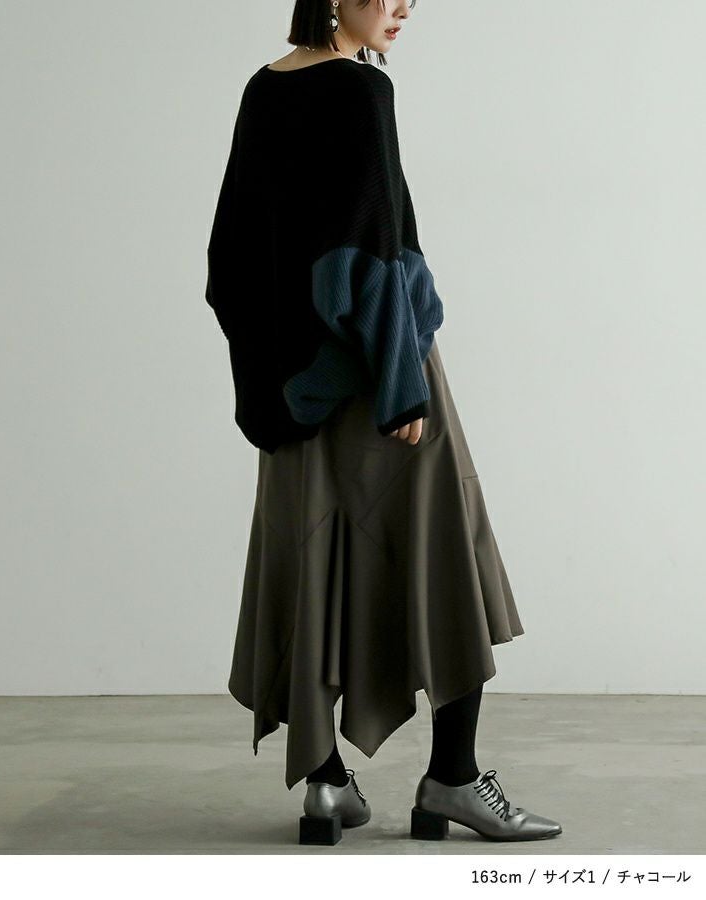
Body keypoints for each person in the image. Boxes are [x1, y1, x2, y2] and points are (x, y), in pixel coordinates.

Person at [204, 0, 562, 846]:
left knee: (313, 566)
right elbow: (376, 246)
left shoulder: (263, 88)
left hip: (296, 395)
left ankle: (326, 786)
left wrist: (274, 380)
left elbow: (231, 259)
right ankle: (453, 780)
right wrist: (401, 384)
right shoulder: (361, 91)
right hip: (380, 376)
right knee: (449, 553)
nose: (403, 7)